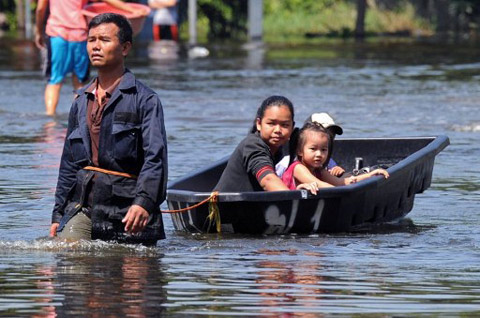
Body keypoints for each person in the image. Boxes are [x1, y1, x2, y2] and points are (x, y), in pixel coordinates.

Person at [50, 13, 168, 245]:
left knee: (136, 275)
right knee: (68, 257)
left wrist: (143, 203)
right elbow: (69, 163)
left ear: (124, 48)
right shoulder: (81, 101)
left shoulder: (145, 100)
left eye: (104, 40)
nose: (96, 46)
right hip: (85, 207)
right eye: (91, 39)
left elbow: (155, 159)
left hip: (130, 209)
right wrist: (58, 213)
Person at [34, 0, 149, 116]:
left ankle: (50, 118)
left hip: (57, 35)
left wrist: (38, 31)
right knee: (80, 82)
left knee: (55, 80)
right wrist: (132, 10)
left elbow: (40, 9)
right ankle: (80, 116)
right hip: (80, 35)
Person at [215, 96, 296, 192]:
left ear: (292, 127)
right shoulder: (253, 145)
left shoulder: (286, 144)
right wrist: (294, 200)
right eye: (271, 123)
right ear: (259, 124)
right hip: (227, 205)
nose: (278, 130)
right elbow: (268, 180)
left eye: (285, 125)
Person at [281, 122, 389, 195]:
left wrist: (370, 175)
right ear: (300, 151)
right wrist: (347, 192)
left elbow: (341, 183)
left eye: (323, 150)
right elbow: (321, 185)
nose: (319, 154)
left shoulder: (319, 170)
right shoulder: (298, 168)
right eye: (313, 149)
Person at [305, 112, 346, 177]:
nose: (329, 139)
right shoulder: (294, 165)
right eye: (324, 134)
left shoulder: (328, 161)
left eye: (332, 134)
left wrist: (338, 171)